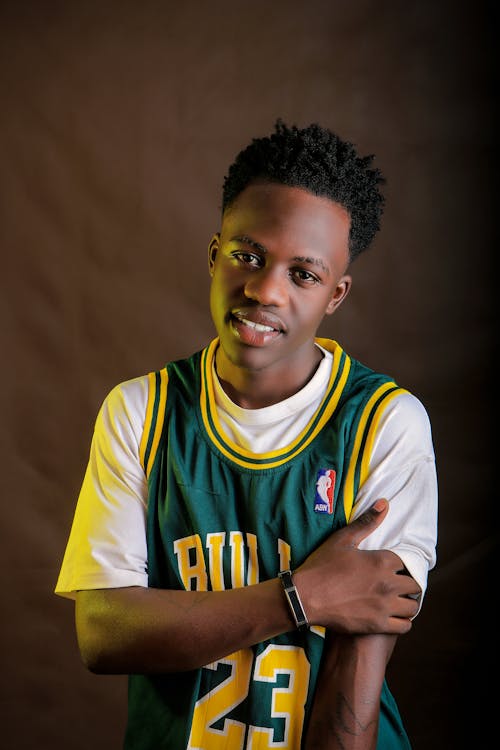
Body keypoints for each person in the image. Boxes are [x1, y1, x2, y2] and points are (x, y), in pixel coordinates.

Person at [55, 120, 438, 749]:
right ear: (214, 254)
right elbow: (103, 633)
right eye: (248, 256)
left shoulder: (383, 422)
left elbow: (354, 691)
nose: (264, 290)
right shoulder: (142, 411)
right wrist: (303, 596)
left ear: (335, 295)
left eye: (303, 275)